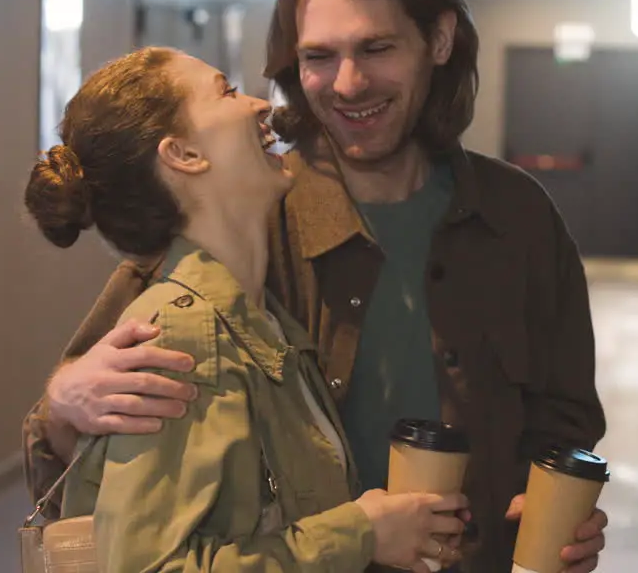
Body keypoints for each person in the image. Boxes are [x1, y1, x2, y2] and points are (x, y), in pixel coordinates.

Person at [23, 0, 609, 573]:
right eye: (318, 57)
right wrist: (66, 400)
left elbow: (566, 418)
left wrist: (561, 510)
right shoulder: (242, 223)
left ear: (438, 40)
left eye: (377, 48)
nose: (348, 84)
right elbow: (85, 432)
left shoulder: (518, 216)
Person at [24, 46, 469, 571]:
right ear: (184, 155)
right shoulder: (185, 339)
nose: (260, 105)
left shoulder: (258, 320)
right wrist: (361, 534)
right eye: (227, 92)